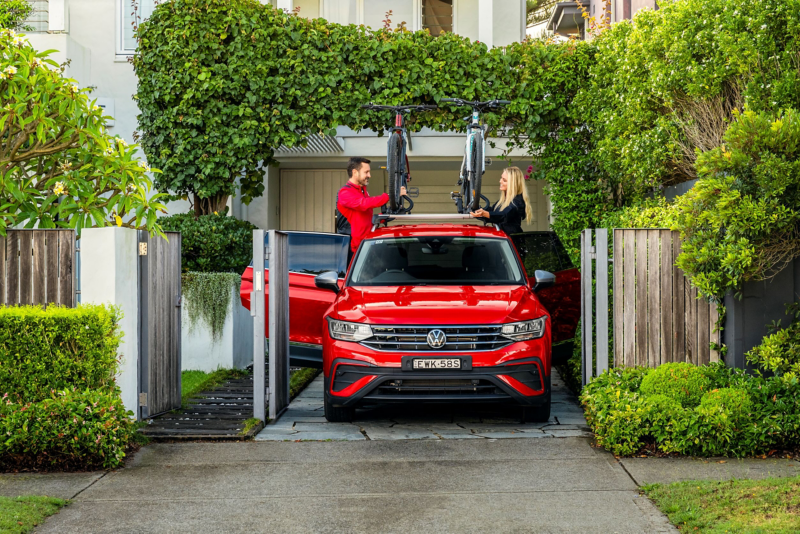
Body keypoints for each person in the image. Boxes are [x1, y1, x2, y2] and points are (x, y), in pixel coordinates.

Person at [337, 157, 405, 264]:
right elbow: (364, 204)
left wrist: (387, 215)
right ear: (355, 172)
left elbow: (367, 219)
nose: (369, 175)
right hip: (353, 252)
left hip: (366, 247)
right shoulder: (345, 193)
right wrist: (390, 196)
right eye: (366, 172)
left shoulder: (363, 191)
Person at [470, 166, 533, 235]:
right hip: (502, 239)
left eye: (504, 180)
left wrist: (484, 213)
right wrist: (476, 208)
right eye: (501, 178)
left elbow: (503, 215)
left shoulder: (517, 202)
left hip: (512, 242)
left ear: (513, 184)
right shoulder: (503, 201)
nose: (500, 181)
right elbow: (492, 212)